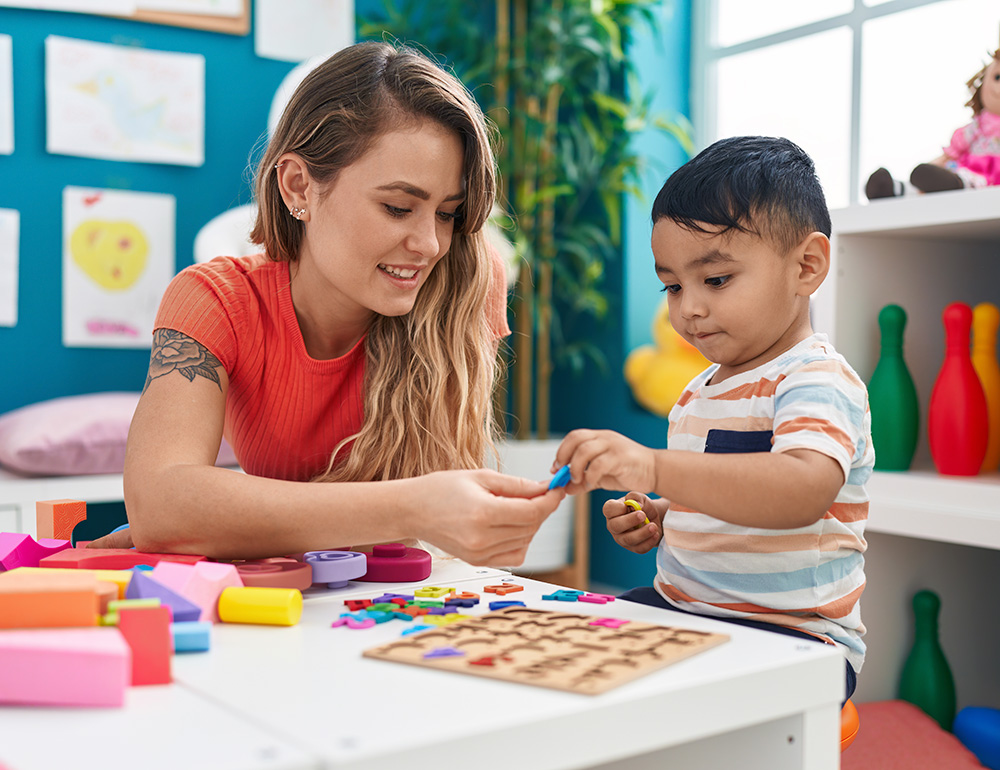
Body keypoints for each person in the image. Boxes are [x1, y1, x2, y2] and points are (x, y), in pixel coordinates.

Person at [89, 41, 563, 565]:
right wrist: (413, 508)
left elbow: (177, 516)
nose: (430, 244)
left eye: (447, 213)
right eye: (398, 207)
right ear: (299, 187)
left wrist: (217, 521)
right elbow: (161, 505)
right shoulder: (215, 301)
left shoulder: (467, 283)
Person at [552, 136, 873, 701]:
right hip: (689, 609)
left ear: (808, 265)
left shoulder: (816, 378)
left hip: (793, 635)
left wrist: (654, 468)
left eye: (716, 280)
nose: (689, 308)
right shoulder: (700, 390)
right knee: (573, 645)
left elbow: (799, 489)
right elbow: (720, 491)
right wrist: (658, 513)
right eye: (673, 286)